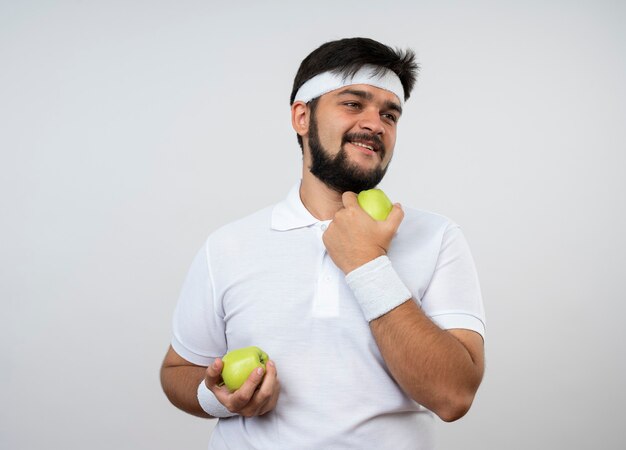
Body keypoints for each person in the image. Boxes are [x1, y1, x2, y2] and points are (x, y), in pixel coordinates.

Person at [160, 37, 486, 449]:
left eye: (390, 114)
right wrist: (220, 396)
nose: (375, 124)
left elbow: (453, 395)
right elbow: (177, 370)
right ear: (302, 116)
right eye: (353, 103)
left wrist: (366, 263)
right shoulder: (228, 245)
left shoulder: (437, 238)